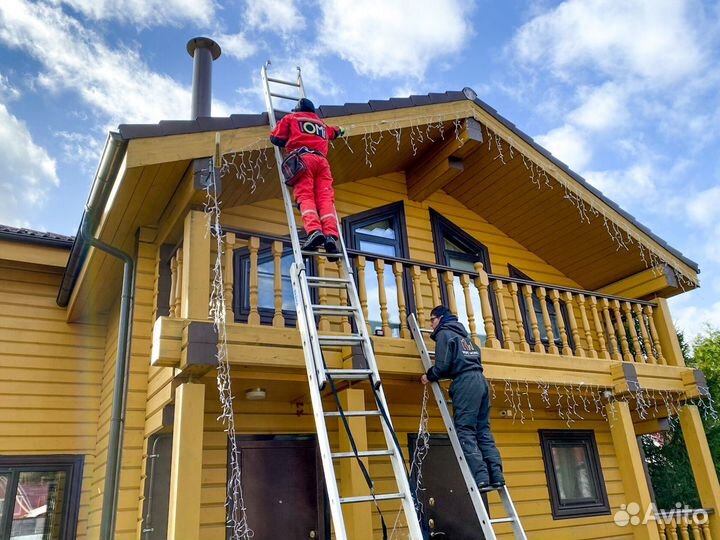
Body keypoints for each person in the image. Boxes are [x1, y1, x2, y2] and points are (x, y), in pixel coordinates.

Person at [420, 305, 505, 490]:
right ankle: (496, 476)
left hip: (465, 382)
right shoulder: (466, 338)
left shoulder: (444, 334)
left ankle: (481, 477)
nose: (431, 324)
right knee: (483, 430)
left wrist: (429, 375)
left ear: (441, 318)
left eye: (432, 319)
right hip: (481, 381)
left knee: (465, 430)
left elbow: (442, 366)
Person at [270, 98, 346, 256]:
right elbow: (335, 132)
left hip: (303, 160)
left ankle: (314, 231)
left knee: (306, 197)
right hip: (322, 163)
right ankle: (331, 236)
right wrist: (342, 130)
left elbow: (276, 138)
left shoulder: (292, 118)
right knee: (325, 199)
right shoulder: (322, 124)